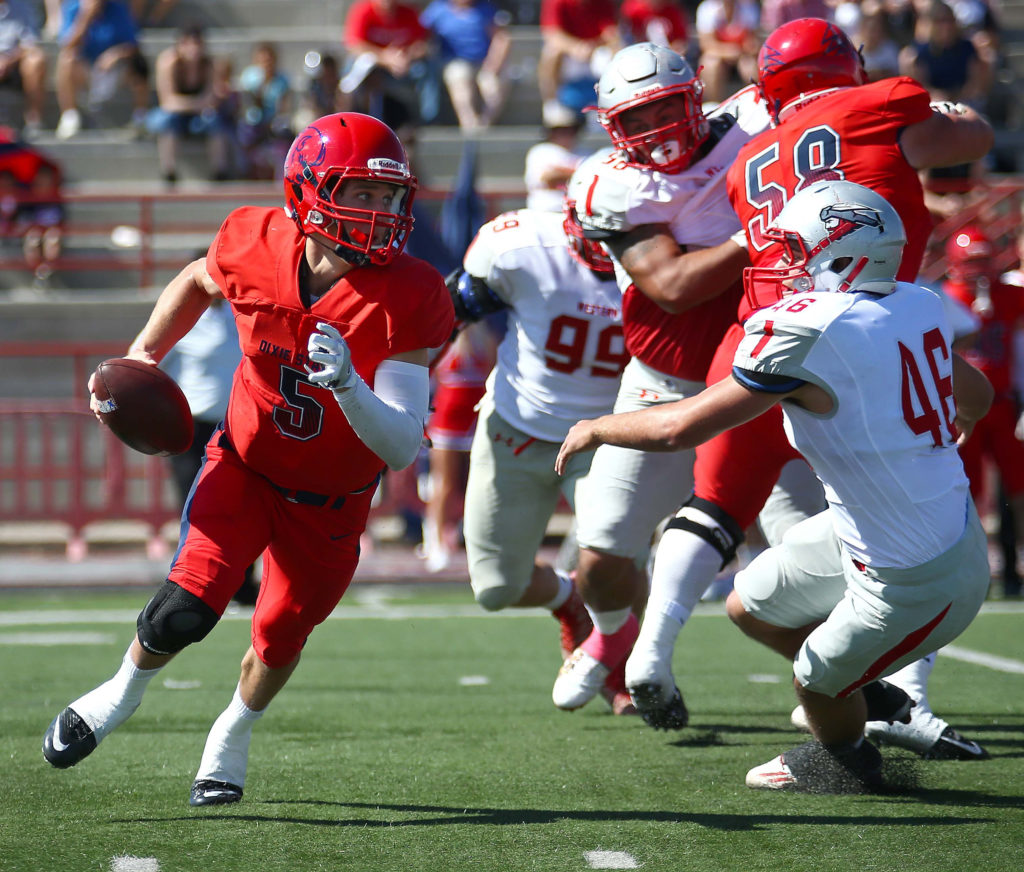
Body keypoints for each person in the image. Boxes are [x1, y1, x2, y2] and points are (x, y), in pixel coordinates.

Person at [41, 112, 455, 807]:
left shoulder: (414, 293)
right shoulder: (252, 238)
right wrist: (146, 353)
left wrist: (351, 386)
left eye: (390, 198)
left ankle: (232, 731)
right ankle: (119, 694)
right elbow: (198, 280)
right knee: (187, 605)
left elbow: (405, 445)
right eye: (363, 194)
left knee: (278, 633)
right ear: (309, 191)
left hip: (333, 500)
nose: (382, 213)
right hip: (242, 462)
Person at [618, 18, 993, 757]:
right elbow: (973, 135)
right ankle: (903, 698)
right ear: (845, 67)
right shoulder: (875, 103)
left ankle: (651, 655)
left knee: (717, 503)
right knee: (894, 517)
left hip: (764, 333)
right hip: (864, 333)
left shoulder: (747, 159)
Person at [556, 180, 993, 792]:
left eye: (798, 248)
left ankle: (848, 759)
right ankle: (868, 696)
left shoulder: (810, 329)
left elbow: (681, 427)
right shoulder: (915, 303)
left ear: (844, 253)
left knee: (813, 680)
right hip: (887, 528)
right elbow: (979, 396)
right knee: (749, 604)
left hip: (918, 573)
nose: (787, 263)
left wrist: (598, 427)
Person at [549, 43, 769, 716]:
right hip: (665, 379)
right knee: (602, 554)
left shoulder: (759, 120)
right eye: (635, 120)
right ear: (612, 127)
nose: (653, 132)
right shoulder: (610, 182)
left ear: (693, 96)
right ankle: (615, 639)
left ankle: (850, 689)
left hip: (767, 377)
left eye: (663, 111)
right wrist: (762, 230)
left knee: (803, 557)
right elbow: (671, 287)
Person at [451, 180, 633, 713]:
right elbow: (451, 309)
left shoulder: (662, 264)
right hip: (514, 430)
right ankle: (566, 599)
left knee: (621, 561)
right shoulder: (521, 246)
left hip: (605, 438)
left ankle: (629, 669)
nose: (606, 246)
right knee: (495, 588)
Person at [158, 297, 259, 605]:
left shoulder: (241, 312)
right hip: (192, 428)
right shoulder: (182, 318)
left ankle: (241, 583)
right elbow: (156, 367)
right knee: (195, 508)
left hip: (237, 425)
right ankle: (190, 585)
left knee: (244, 505)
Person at [942, 224, 1024, 598]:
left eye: (985, 260)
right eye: (972, 261)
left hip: (1005, 405)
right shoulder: (944, 298)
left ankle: (1015, 565)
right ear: (956, 263)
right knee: (963, 491)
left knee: (1019, 488)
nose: (980, 268)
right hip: (960, 410)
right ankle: (965, 568)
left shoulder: (1011, 295)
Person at [419, 320, 499, 573]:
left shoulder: (487, 337)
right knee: (444, 482)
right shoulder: (442, 336)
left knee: (478, 482)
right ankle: (434, 541)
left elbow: (495, 373)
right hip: (448, 415)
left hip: (476, 415)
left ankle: (471, 539)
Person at [148, 24, 233, 184]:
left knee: (215, 121)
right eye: (188, 43)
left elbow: (211, 100)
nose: (193, 49)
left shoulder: (208, 65)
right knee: (166, 121)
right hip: (175, 115)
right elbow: (167, 102)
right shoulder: (168, 62)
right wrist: (196, 104)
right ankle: (169, 171)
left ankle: (220, 170)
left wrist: (191, 105)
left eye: (197, 43)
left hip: (197, 117)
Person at [55, 0, 150, 139]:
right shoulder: (72, 8)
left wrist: (115, 54)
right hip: (85, 71)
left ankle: (140, 118)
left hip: (113, 71)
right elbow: (67, 46)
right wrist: (85, 17)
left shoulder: (118, 9)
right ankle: (70, 116)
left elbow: (133, 45)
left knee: (139, 63)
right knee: (66, 60)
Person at [341, 0, 441, 125]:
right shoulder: (362, 10)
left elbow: (423, 44)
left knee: (427, 69)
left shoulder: (409, 12)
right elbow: (355, 45)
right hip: (374, 65)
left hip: (404, 65)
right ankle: (353, 117)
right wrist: (385, 58)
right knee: (358, 68)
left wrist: (406, 57)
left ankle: (428, 120)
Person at [420, 0, 511, 131]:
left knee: (493, 86)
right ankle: (469, 125)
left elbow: (501, 38)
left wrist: (493, 63)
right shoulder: (438, 9)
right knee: (459, 78)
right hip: (454, 60)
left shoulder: (486, 8)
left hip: (484, 62)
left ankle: (485, 125)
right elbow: (423, 33)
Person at [536, 0, 620, 115]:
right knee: (551, 52)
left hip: (596, 54)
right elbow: (551, 34)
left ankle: (614, 105)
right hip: (569, 56)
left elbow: (612, 34)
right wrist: (575, 47)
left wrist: (592, 46)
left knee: (618, 50)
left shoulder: (603, 2)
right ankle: (552, 106)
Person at [236, 41, 294, 180]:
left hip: (274, 122)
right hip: (254, 122)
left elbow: (284, 107)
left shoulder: (282, 80)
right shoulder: (250, 78)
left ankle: (284, 176)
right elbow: (248, 106)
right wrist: (262, 85)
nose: (266, 64)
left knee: (284, 134)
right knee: (245, 132)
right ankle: (245, 171)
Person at [523, 101, 587, 213]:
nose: (566, 134)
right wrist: (581, 174)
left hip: (578, 213)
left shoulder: (585, 153)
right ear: (550, 132)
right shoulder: (541, 151)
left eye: (571, 129)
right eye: (560, 130)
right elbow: (548, 178)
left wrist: (564, 174)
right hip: (545, 212)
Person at [693, 0, 761, 104]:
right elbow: (706, 44)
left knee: (750, 66)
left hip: (742, 55)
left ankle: (757, 102)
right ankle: (713, 105)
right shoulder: (707, 8)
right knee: (711, 64)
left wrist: (751, 46)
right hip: (719, 55)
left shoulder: (749, 7)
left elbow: (752, 39)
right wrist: (729, 51)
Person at [0, 0, 47, 135]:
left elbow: (31, 43)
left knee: (36, 59)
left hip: (16, 63)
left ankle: (34, 122)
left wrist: (8, 60)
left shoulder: (23, 5)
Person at [620, 0, 691, 55]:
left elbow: (680, 40)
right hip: (640, 55)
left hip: (667, 56)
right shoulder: (632, 9)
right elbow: (627, 39)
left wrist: (672, 52)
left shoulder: (671, 10)